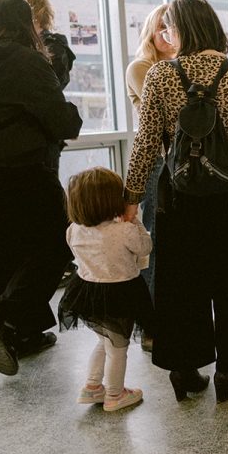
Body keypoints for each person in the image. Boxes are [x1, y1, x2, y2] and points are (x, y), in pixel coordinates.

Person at [122, 0, 228, 403]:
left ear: (182, 31)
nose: (165, 35)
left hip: (179, 197)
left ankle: (185, 370)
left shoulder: (161, 75)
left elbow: (145, 144)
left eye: (170, 28)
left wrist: (130, 199)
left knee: (181, 282)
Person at [0, 0, 82, 376]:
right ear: (25, 25)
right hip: (22, 169)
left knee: (2, 253)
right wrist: (72, 115)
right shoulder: (26, 60)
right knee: (58, 241)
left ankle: (25, 335)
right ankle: (5, 321)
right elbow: (61, 121)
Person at [58, 167, 155, 413]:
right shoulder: (123, 230)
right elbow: (145, 248)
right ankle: (115, 394)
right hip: (119, 294)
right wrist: (136, 222)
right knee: (118, 350)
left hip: (87, 292)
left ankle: (92, 386)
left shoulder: (74, 229)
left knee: (104, 341)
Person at [124, 4, 177, 345]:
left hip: (181, 163)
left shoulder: (179, 66)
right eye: (160, 28)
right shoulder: (142, 68)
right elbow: (168, 116)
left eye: (170, 28)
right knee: (155, 244)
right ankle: (151, 326)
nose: (165, 35)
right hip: (158, 163)